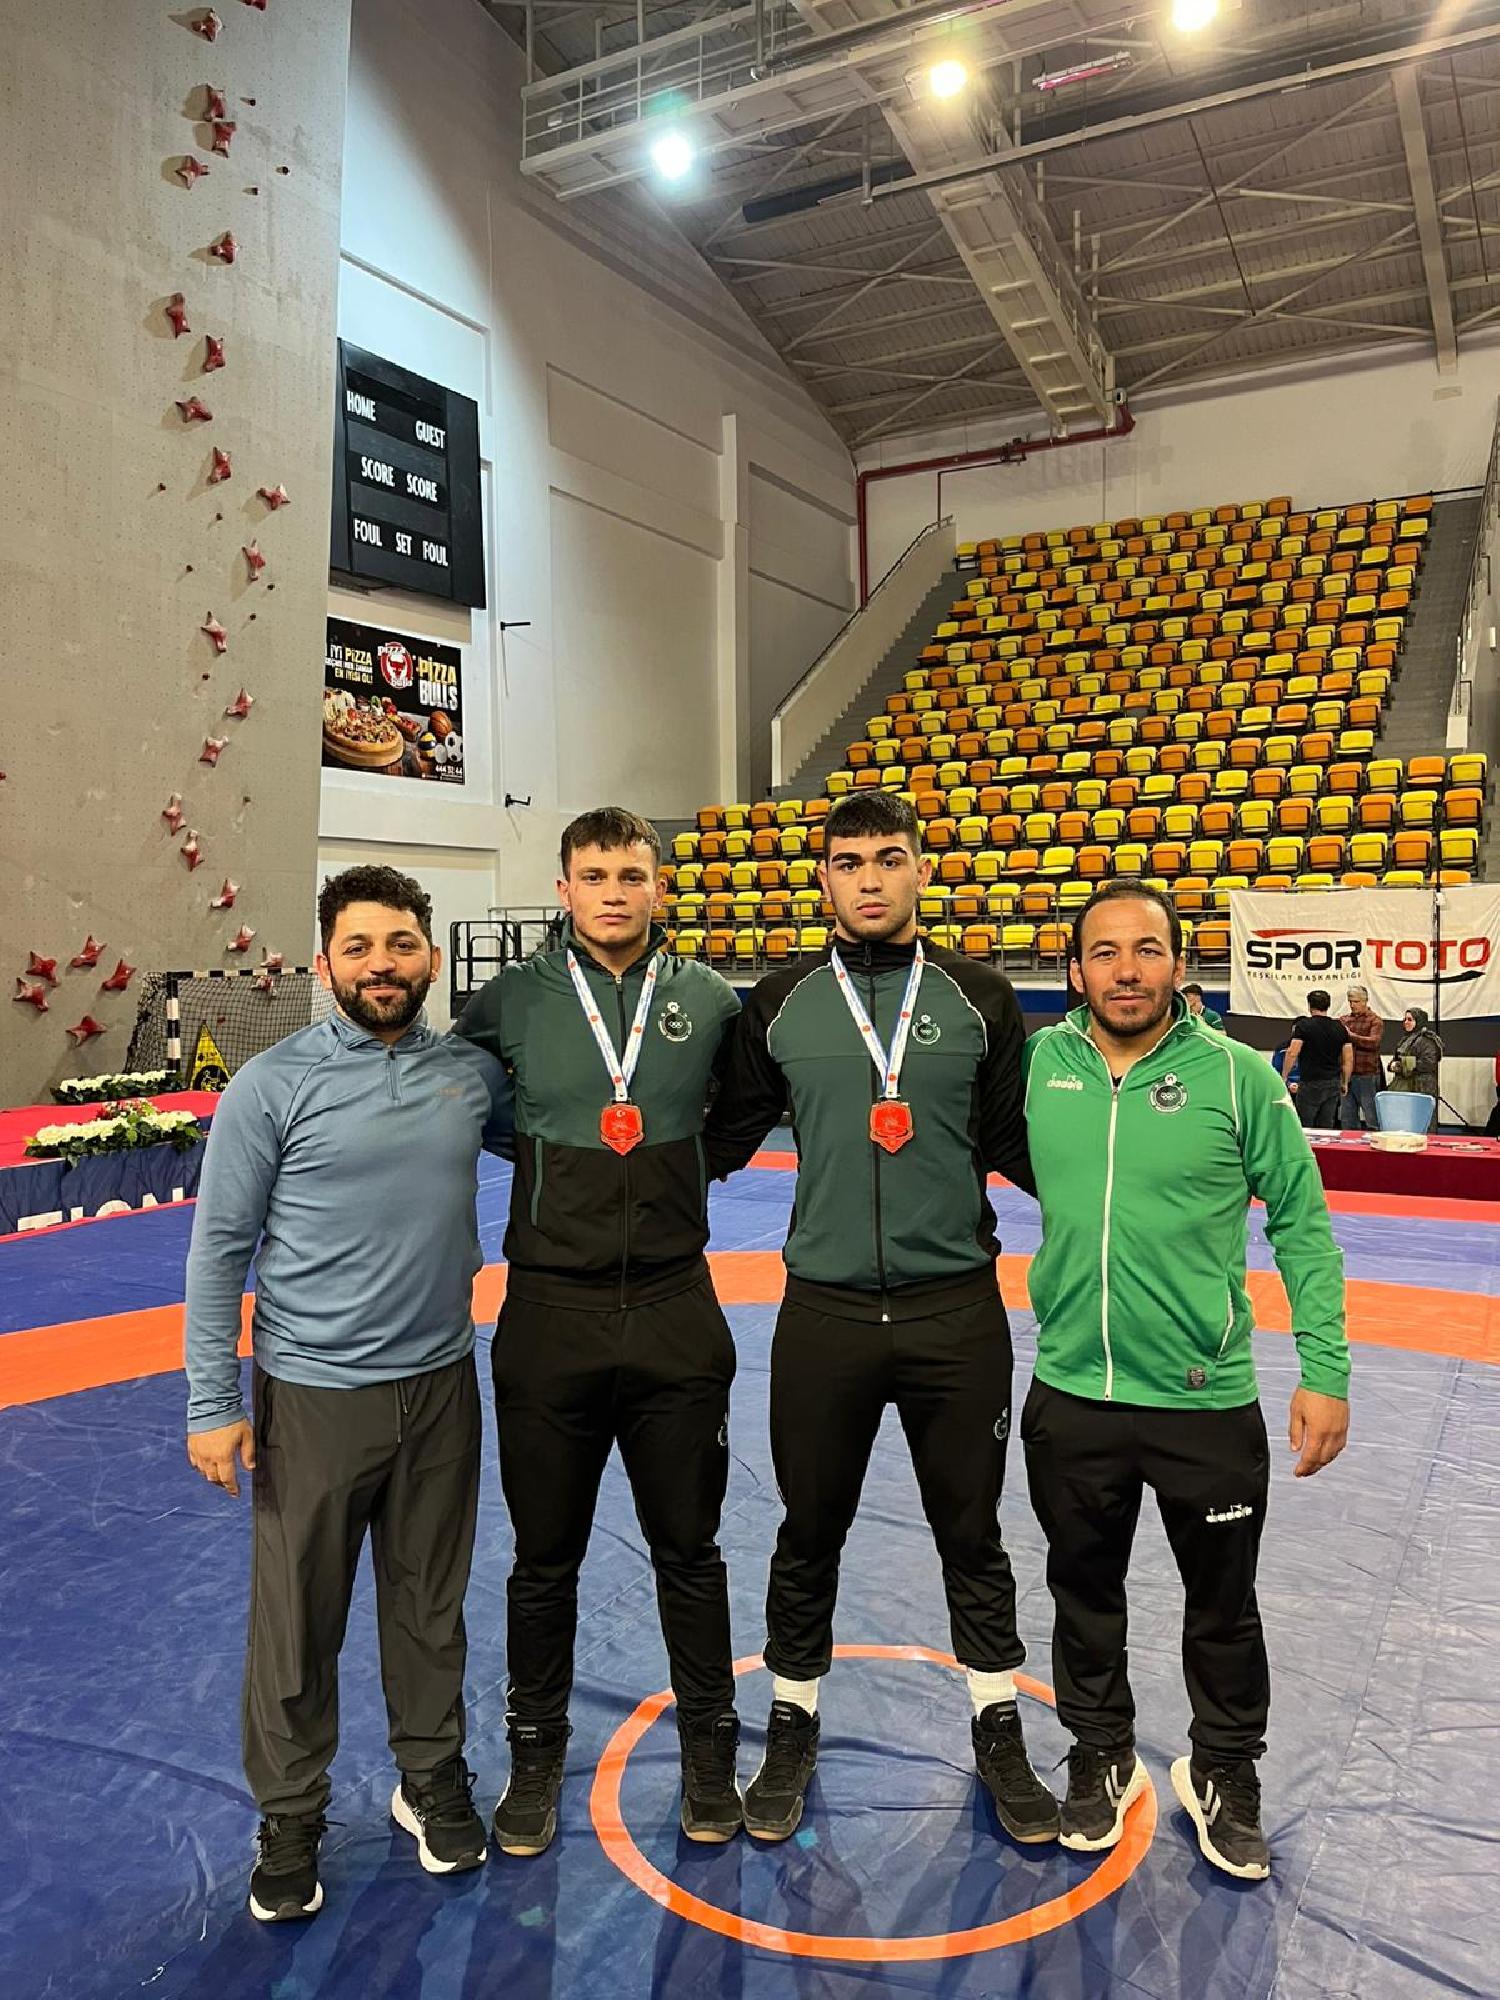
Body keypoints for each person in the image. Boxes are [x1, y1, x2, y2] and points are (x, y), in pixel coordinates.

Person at [704, 790, 1058, 1849]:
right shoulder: (779, 1002)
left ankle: (997, 1723)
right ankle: (791, 1721)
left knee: (972, 1529)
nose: (870, 878)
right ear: (824, 877)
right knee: (808, 1527)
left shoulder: (981, 998)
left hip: (957, 1311)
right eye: (850, 861)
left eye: (889, 858)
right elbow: (715, 1138)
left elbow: (1026, 1146)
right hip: (826, 1313)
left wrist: (1147, 1202)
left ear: (920, 870)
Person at [184, 865, 514, 1922]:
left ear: (432, 957)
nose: (383, 964)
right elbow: (218, 1249)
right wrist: (210, 1402)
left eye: (402, 944)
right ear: (325, 962)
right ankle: (290, 1813)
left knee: (430, 1605)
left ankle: (430, 1776)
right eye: (360, 946)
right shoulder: (271, 1085)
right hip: (315, 1394)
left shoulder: (470, 1075)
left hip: (441, 1383)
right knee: (299, 1620)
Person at [1021, 880, 1349, 1881]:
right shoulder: (1038, 1066)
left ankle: (1223, 1768)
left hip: (1203, 1400)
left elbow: (1302, 1220)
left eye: (1147, 949)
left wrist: (1326, 1368)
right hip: (1073, 1389)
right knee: (1083, 1591)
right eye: (1105, 952)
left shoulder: (1239, 1077)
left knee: (1223, 1603)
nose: (1127, 970)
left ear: (1180, 962)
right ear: (1075, 970)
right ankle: (1101, 1750)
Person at [456, 807, 744, 1854]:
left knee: (691, 1550)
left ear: (659, 886)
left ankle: (710, 1751)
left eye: (631, 874)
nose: (614, 892)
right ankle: (535, 1756)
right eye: (594, 875)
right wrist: (554, 1164)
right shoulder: (512, 999)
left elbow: (740, 1112)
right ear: (564, 888)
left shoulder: (709, 1000)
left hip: (673, 1307)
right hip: (551, 1313)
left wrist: (675, 1168)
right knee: (543, 1558)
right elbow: (465, 1100)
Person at [1283, 990, 1352, 1130]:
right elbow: (1348, 1059)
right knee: (1326, 1126)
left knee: (1304, 1125)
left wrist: (1284, 1076)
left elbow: (1292, 1052)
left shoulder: (1304, 1026)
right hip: (1333, 1082)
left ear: (1309, 1006)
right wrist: (1345, 1082)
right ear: (1328, 1005)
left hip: (1310, 1082)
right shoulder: (1340, 1027)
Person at [1338, 986, 1385, 1131]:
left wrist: (1350, 1036)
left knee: (1372, 1117)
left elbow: (1374, 1042)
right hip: (1347, 1075)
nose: (1352, 1005)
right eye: (1350, 1001)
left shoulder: (1375, 1021)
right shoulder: (1344, 1020)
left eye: (1356, 1001)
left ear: (1365, 1001)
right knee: (1347, 1117)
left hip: (1367, 1075)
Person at [1390, 1007, 1443, 1128]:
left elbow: (1428, 1063)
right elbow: (1396, 1059)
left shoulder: (1428, 1040)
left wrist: (1400, 1065)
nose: (1406, 1022)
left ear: (1418, 1021)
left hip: (1423, 1087)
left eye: (1410, 1019)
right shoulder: (1405, 1039)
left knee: (1423, 1122)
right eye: (1405, 1019)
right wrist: (1394, 1065)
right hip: (1406, 1086)